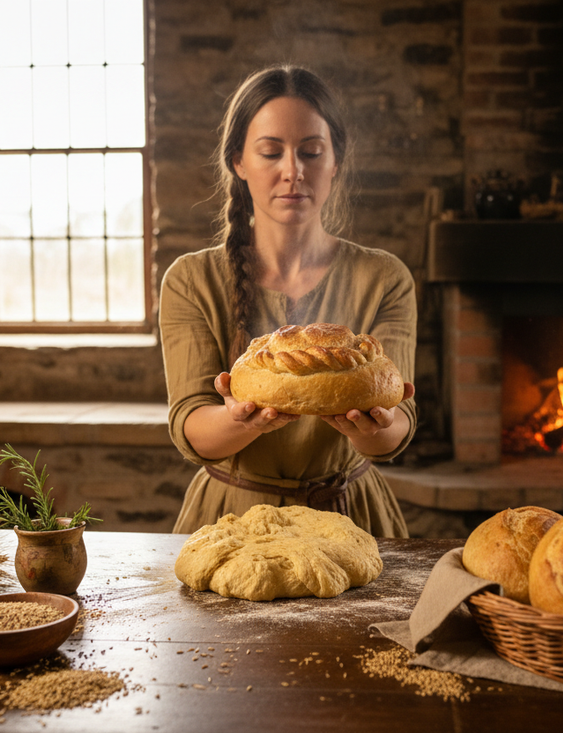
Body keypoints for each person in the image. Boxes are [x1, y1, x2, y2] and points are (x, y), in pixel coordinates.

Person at [158, 65, 418, 538]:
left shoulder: (384, 277)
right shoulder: (191, 280)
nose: (293, 171)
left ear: (335, 160)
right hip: (232, 521)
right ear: (239, 161)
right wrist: (244, 421)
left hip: (353, 519)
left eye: (312, 152)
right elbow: (193, 426)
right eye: (271, 152)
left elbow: (397, 422)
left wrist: (373, 428)